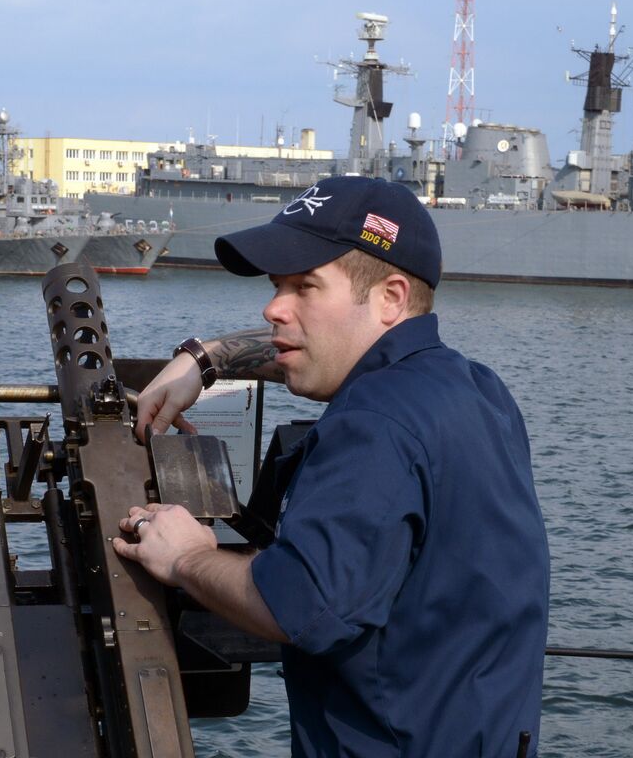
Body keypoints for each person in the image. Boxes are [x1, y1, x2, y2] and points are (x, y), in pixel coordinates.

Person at [117, 176, 550, 756]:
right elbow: (337, 355)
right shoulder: (477, 391)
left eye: (305, 286)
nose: (274, 307)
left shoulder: (374, 423)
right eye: (277, 286)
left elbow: (299, 606)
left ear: (391, 298)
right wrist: (208, 358)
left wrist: (185, 557)